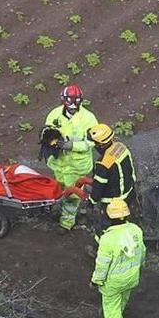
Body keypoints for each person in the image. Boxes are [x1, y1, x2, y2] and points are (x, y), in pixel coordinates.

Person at [90, 198, 146, 318]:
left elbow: (102, 265)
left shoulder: (107, 238)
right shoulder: (136, 230)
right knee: (122, 300)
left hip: (113, 283)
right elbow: (142, 253)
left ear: (108, 216)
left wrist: (96, 281)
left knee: (112, 312)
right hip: (132, 278)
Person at [42, 84, 98, 232]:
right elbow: (47, 132)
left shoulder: (89, 119)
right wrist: (49, 142)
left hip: (76, 166)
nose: (73, 105)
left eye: (76, 101)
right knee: (59, 189)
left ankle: (66, 223)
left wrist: (71, 146)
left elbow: (91, 142)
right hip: (59, 163)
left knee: (73, 195)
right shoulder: (54, 115)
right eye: (69, 101)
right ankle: (59, 209)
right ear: (63, 100)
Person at [87, 123, 137, 233]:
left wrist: (91, 201)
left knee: (108, 228)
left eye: (94, 143)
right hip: (129, 192)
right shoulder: (120, 147)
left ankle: (103, 244)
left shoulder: (103, 163)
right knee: (125, 223)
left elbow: (98, 188)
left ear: (100, 144)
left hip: (112, 203)